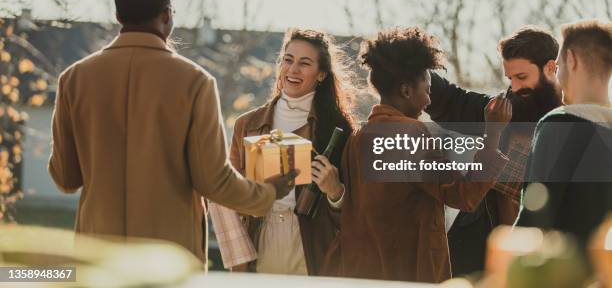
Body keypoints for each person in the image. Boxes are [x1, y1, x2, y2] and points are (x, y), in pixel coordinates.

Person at [48, 0, 296, 266]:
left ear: (118, 15)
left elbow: (65, 178)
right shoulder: (195, 82)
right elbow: (214, 181)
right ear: (166, 15)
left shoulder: (73, 79)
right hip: (169, 260)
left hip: (97, 259)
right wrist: (267, 193)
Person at [328, 27, 510, 283]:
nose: (428, 100)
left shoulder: (358, 137)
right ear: (406, 90)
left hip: (363, 274)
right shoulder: (412, 134)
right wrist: (493, 133)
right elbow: (462, 195)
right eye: (427, 89)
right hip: (410, 275)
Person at [211, 28, 355, 275]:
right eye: (288, 60)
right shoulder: (247, 124)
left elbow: (354, 212)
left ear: (321, 74)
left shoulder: (338, 129)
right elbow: (228, 197)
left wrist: (335, 192)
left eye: (304, 63)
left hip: (312, 248)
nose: (293, 70)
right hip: (260, 239)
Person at [425, 26, 563, 275]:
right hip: (483, 259)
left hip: (543, 263)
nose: (515, 87)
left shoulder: (575, 126)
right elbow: (452, 102)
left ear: (551, 68)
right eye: (510, 78)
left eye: (522, 77)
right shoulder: (502, 111)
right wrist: (412, 62)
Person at [516, 19, 612, 249]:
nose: (556, 78)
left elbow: (532, 223)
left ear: (572, 59)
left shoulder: (559, 125)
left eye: (558, 67)